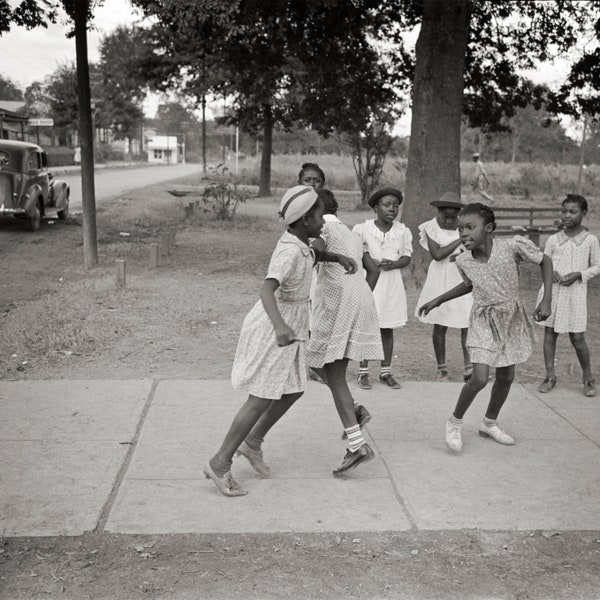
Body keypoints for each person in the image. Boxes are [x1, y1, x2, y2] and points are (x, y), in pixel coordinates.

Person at [204, 185, 356, 496]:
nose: (324, 222)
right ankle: (219, 463)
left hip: (293, 323)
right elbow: (266, 289)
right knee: (260, 397)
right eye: (318, 216)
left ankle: (253, 443)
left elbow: (312, 254)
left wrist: (336, 256)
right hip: (276, 326)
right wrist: (280, 327)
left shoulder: (300, 242)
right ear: (303, 221)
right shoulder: (288, 251)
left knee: (293, 390)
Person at [418, 202, 553, 453]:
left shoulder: (512, 246)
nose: (463, 234)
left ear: (488, 228)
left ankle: (489, 423)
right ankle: (454, 421)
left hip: (510, 318)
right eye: (460, 229)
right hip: (482, 319)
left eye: (470, 227)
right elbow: (470, 285)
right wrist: (438, 299)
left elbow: (545, 261)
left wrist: (546, 298)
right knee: (479, 377)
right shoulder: (463, 261)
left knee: (506, 376)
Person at [307, 188, 383, 475]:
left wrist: (328, 259)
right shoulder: (353, 233)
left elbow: (314, 254)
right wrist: (358, 294)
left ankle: (356, 444)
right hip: (359, 300)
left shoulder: (321, 227)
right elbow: (372, 270)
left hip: (337, 304)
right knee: (314, 363)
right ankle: (355, 410)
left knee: (333, 373)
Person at [537, 194, 600, 397]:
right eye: (564, 211)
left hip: (575, 294)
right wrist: (551, 271)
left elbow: (597, 266)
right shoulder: (554, 239)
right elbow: (544, 261)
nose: (567, 215)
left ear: (583, 213)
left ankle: (588, 377)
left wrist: (579, 275)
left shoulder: (590, 240)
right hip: (553, 292)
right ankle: (550, 375)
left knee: (578, 337)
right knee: (550, 334)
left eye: (572, 212)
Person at [352, 187, 413, 390]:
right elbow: (356, 251)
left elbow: (406, 256)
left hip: (391, 286)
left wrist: (395, 264)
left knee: (386, 329)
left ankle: (385, 371)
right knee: (367, 328)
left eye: (395, 206)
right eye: (387, 205)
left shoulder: (402, 231)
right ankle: (363, 372)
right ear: (376, 208)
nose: (392, 209)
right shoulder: (362, 229)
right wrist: (369, 260)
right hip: (370, 283)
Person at [415, 192, 473, 381]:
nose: (449, 221)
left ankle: (469, 365)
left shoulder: (466, 226)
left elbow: (473, 250)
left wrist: (463, 255)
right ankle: (442, 368)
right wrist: (459, 240)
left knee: (466, 321)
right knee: (440, 322)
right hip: (441, 277)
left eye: (453, 217)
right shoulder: (430, 227)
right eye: (445, 217)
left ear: (459, 214)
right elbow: (438, 254)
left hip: (462, 276)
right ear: (438, 213)